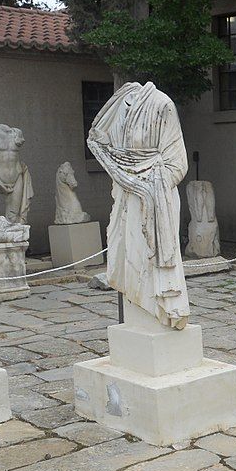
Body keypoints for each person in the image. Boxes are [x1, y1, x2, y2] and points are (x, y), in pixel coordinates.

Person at [87, 82, 190, 329]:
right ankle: (141, 308)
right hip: (127, 197)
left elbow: (178, 164)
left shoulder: (162, 105)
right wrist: (133, 181)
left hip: (157, 196)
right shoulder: (118, 107)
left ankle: (161, 306)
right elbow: (101, 142)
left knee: (149, 256)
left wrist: (150, 186)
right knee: (129, 251)